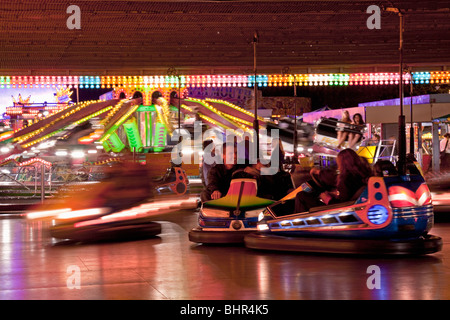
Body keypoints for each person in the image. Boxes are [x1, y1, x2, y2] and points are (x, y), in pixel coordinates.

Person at [295, 149, 373, 212]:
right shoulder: (360, 175)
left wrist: (328, 199)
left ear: (342, 163)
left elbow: (342, 204)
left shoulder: (346, 178)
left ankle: (297, 225)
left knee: (301, 196)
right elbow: (347, 196)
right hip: (349, 207)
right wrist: (334, 195)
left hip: (338, 211)